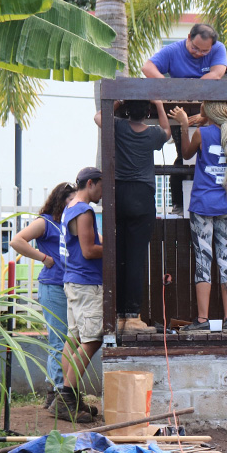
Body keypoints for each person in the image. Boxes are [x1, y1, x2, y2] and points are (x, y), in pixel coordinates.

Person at [95, 100, 170, 334]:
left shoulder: (118, 126)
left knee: (119, 255)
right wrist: (159, 105)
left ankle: (117, 317)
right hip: (142, 195)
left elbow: (98, 117)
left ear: (127, 111)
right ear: (147, 112)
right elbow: (168, 133)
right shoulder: (153, 134)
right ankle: (132, 317)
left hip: (119, 194)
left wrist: (117, 103)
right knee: (137, 258)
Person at [169, 101, 227, 331]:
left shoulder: (202, 133)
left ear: (207, 113)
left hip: (202, 204)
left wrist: (184, 124)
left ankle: (202, 320)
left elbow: (186, 154)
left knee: (204, 258)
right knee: (226, 258)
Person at [142, 24, 227, 215]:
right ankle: (179, 203)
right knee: (184, 157)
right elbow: (147, 67)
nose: (198, 53)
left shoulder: (219, 49)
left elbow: (217, 74)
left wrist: (203, 110)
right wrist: (170, 87)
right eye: (194, 48)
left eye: (204, 51)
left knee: (209, 158)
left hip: (208, 112)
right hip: (180, 111)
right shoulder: (173, 50)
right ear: (188, 37)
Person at [9, 182, 76, 409]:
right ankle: (58, 393)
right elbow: (16, 241)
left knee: (67, 340)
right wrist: (43, 258)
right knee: (59, 341)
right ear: (61, 200)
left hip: (68, 287)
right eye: (70, 200)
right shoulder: (45, 222)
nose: (74, 204)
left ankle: (56, 391)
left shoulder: (68, 223)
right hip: (53, 287)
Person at [48, 167, 103, 423]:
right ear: (90, 183)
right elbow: (90, 250)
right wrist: (114, 248)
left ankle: (68, 396)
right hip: (86, 283)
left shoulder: (70, 208)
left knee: (74, 339)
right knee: (92, 340)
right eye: (101, 186)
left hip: (72, 281)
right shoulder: (84, 210)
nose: (104, 192)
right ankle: (67, 399)